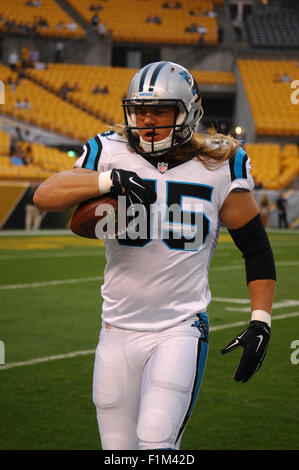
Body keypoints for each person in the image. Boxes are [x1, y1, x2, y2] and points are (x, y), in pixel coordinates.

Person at [33, 61, 276, 450]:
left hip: (178, 329)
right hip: (115, 329)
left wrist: (260, 320)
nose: (146, 120)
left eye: (160, 111)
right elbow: (44, 196)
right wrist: (107, 180)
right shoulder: (109, 151)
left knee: (157, 443)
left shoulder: (219, 163)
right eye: (139, 110)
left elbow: (257, 249)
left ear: (188, 112)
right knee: (117, 452)